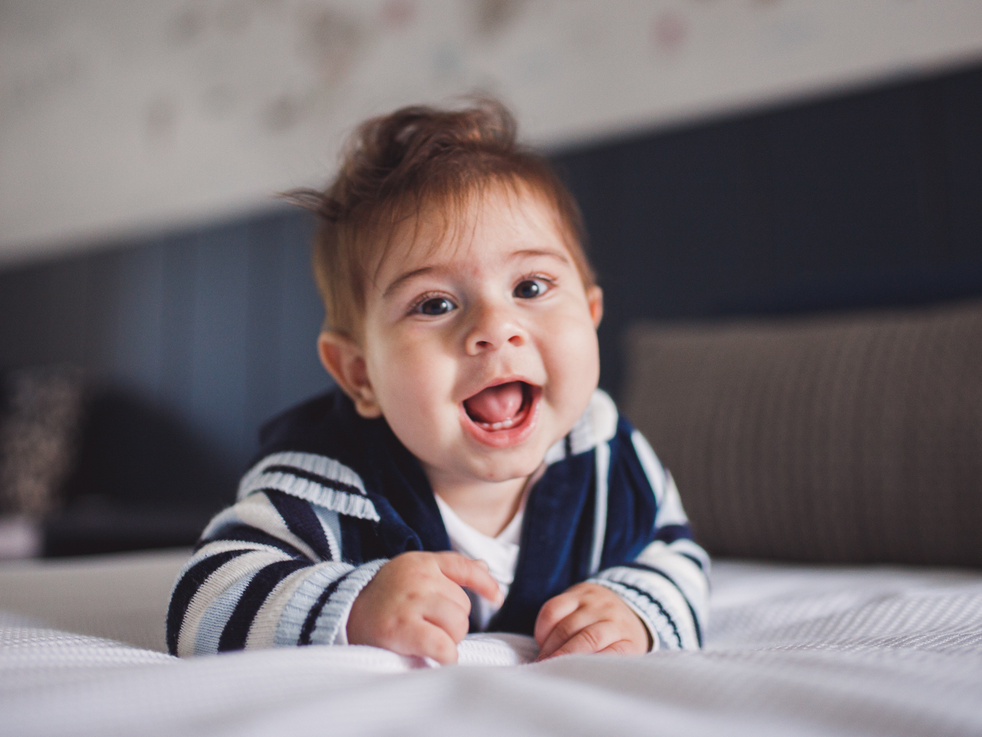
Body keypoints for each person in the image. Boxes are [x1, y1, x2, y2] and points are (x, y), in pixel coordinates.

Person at [166, 99, 709, 664]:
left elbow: (676, 555)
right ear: (360, 375)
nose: (495, 328)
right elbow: (202, 603)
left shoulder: (607, 454)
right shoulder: (326, 483)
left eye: (529, 287)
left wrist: (634, 609)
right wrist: (353, 605)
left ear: (591, 315)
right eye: (435, 304)